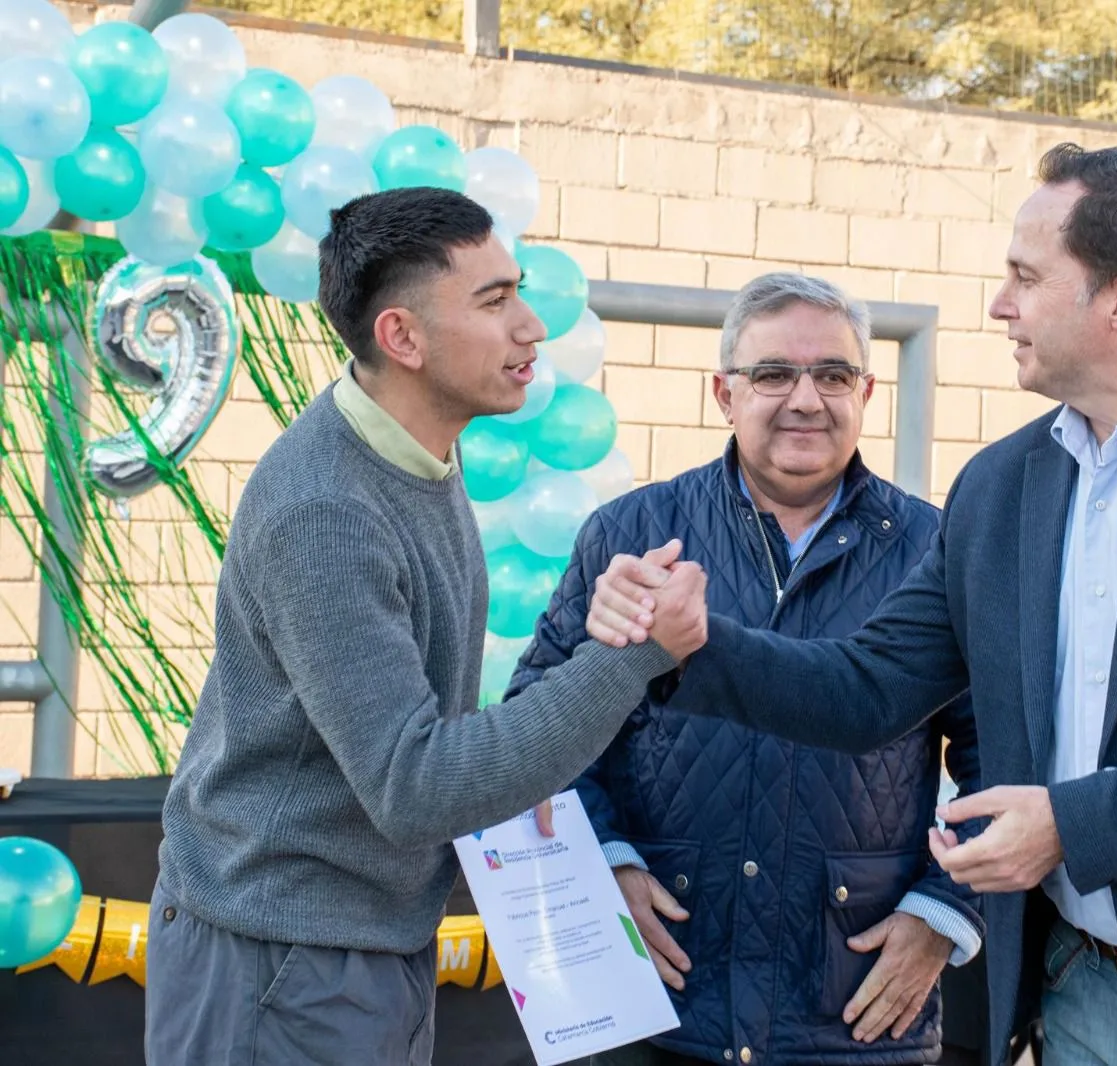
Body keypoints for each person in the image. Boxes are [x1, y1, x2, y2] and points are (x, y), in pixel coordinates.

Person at [586, 145, 1117, 1066]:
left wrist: (1071, 828)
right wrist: (691, 643)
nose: (1000, 304)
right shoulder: (1001, 486)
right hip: (1080, 989)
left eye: (1026, 278)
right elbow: (868, 686)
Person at [145, 187, 707, 1066]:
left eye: (518, 291)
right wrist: (628, 658)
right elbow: (412, 787)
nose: (532, 327)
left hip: (352, 949)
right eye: (494, 301)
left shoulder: (417, 456)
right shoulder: (325, 509)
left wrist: (525, 777)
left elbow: (413, 735)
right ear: (401, 338)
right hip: (277, 961)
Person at [504, 272, 986, 1066]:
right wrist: (602, 862)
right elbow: (539, 726)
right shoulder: (633, 534)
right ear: (724, 393)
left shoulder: (936, 551)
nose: (806, 399)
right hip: (659, 1001)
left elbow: (1002, 758)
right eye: (773, 375)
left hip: (854, 1012)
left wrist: (945, 912)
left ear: (866, 392)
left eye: (833, 375)